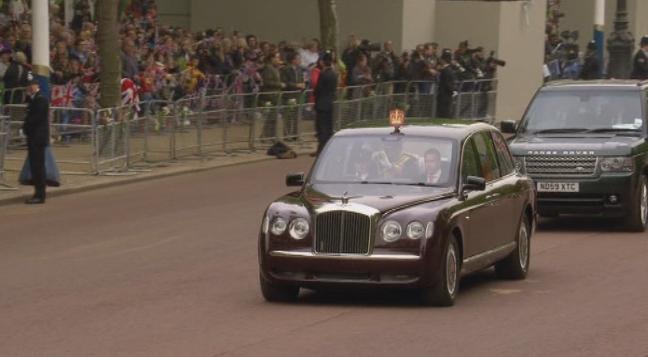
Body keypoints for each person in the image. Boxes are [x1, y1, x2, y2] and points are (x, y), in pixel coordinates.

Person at [23, 78, 50, 204]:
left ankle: (40, 194)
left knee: (38, 167)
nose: (28, 88)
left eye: (30, 86)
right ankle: (38, 192)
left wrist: (26, 127)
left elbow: (35, 119)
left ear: (35, 86)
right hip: (34, 137)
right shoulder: (33, 100)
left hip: (37, 138)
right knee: (36, 167)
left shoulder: (41, 100)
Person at [313, 51, 337, 156]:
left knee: (322, 129)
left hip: (321, 104)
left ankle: (321, 150)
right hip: (330, 103)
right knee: (328, 128)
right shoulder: (334, 74)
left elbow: (318, 89)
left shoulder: (323, 74)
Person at [436, 49, 457, 118]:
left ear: (443, 60)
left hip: (444, 95)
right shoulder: (449, 69)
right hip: (447, 95)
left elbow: (447, 83)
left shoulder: (446, 70)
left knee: (443, 113)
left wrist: (452, 90)